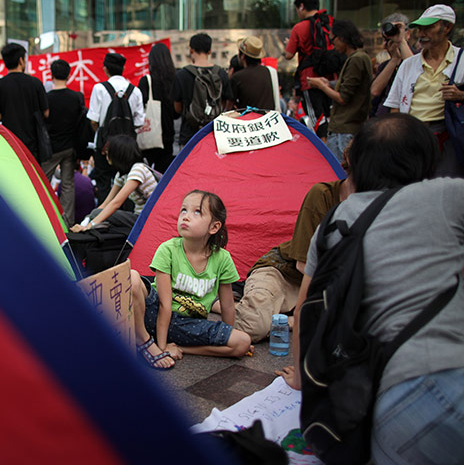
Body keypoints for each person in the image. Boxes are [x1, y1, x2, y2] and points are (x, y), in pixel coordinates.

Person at [277, 113, 463, 463]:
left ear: (356, 164)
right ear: (425, 160)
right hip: (453, 376)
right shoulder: (446, 195)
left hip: (384, 408)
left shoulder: (333, 225)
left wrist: (303, 380)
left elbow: (305, 311)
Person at [130, 190, 254, 370]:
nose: (186, 217)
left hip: (189, 324)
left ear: (214, 227)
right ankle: (146, 341)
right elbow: (165, 304)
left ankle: (183, 348)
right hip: (154, 313)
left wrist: (226, 335)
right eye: (183, 210)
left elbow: (227, 306)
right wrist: (163, 348)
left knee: (242, 342)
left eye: (197, 212)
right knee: (132, 277)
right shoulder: (168, 249)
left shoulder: (222, 259)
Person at [233, 175, 353, 342]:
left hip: (328, 286)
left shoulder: (382, 204)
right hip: (286, 274)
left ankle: (265, 308)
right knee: (251, 328)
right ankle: (221, 303)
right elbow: (304, 265)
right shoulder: (323, 194)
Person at [384, 4, 464, 178]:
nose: (422, 34)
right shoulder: (408, 65)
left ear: (447, 27)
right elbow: (395, 107)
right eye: (420, 29)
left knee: (445, 188)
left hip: (447, 137)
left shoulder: (461, 60)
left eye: (429, 28)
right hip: (412, 135)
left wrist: (460, 96)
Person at [307, 19, 373, 160]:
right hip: (347, 127)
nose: (332, 45)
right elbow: (349, 87)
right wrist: (329, 83)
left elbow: (342, 97)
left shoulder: (357, 59)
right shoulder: (359, 57)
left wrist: (321, 86)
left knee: (341, 174)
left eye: (333, 40)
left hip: (345, 129)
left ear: (342, 37)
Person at [87, 53, 145, 203]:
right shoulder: (135, 90)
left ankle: (103, 218)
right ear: (123, 68)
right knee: (126, 182)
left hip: (104, 145)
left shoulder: (99, 88)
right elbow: (139, 122)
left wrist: (104, 133)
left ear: (105, 69)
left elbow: (93, 121)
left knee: (104, 181)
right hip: (127, 146)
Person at [71, 134, 157, 232]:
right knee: (96, 213)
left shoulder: (138, 170)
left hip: (150, 218)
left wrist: (90, 225)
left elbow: (116, 203)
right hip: (139, 216)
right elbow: (106, 203)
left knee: (99, 216)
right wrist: (89, 218)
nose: (106, 155)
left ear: (118, 154)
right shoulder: (122, 174)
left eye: (108, 152)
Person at [284, 0, 336, 138]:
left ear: (301, 6)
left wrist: (288, 45)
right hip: (331, 77)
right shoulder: (330, 22)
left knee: (317, 119)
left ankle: (324, 151)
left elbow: (288, 55)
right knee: (330, 116)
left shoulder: (299, 28)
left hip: (310, 80)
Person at [0, 43, 49, 161]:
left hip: (10, 144)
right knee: (32, 177)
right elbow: (46, 113)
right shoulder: (35, 83)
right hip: (33, 145)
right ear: (21, 60)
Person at [41, 59, 84, 227]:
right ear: (69, 75)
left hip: (50, 149)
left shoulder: (46, 98)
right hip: (69, 147)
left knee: (43, 184)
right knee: (67, 185)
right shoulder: (76, 97)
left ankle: (44, 220)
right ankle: (67, 224)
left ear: (51, 75)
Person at [172, 32, 233, 148]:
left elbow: (177, 108)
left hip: (189, 135)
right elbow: (227, 103)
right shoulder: (221, 74)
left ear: (191, 50)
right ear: (210, 51)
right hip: (215, 135)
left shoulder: (181, 75)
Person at [137, 43, 177, 173]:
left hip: (149, 135)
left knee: (146, 174)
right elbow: (176, 113)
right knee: (164, 175)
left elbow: (139, 108)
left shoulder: (146, 81)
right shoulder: (175, 80)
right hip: (168, 136)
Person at [370, 13, 414, 117]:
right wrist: (394, 60)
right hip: (383, 118)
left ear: (408, 34)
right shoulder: (386, 65)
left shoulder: (419, 58)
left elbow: (415, 71)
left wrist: (402, 41)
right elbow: (375, 91)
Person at [229, 36, 275, 110]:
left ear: (242, 56)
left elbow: (229, 105)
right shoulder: (268, 72)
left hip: (248, 120)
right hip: (268, 119)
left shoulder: (237, 77)